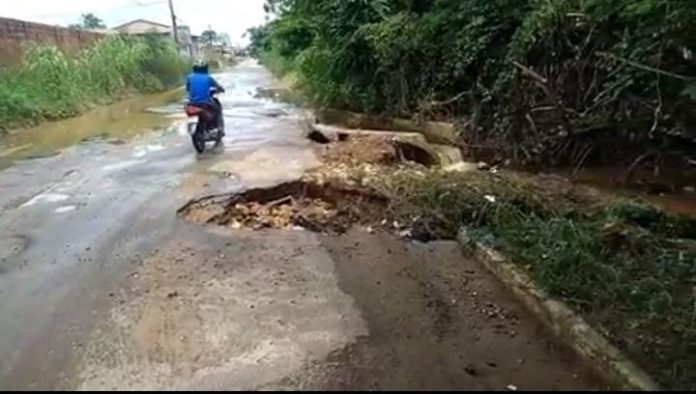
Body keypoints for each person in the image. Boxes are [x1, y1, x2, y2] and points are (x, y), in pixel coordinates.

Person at [186, 59, 225, 131]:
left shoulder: (189, 77)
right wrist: (221, 89)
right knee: (217, 109)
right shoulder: (208, 78)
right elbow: (218, 87)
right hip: (205, 103)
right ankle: (219, 128)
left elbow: (188, 89)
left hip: (191, 103)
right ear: (205, 68)